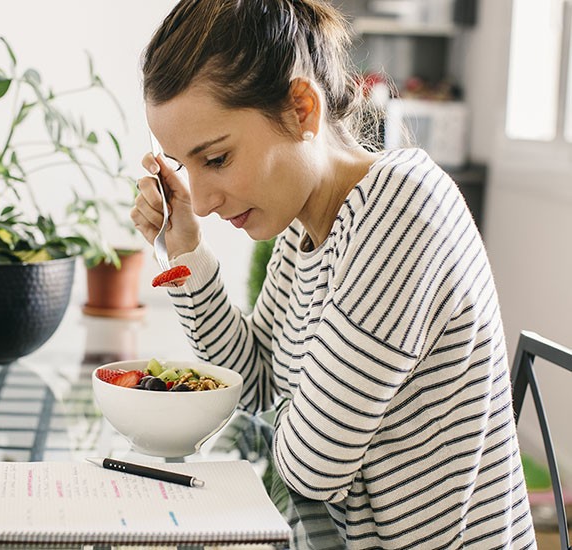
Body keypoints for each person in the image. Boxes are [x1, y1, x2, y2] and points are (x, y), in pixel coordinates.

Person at [131, 0, 536, 548]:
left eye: (218, 159)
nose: (200, 201)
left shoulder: (400, 209)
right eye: (185, 166)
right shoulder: (304, 235)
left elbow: (311, 466)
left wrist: (301, 416)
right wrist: (186, 252)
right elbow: (253, 385)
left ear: (302, 109)